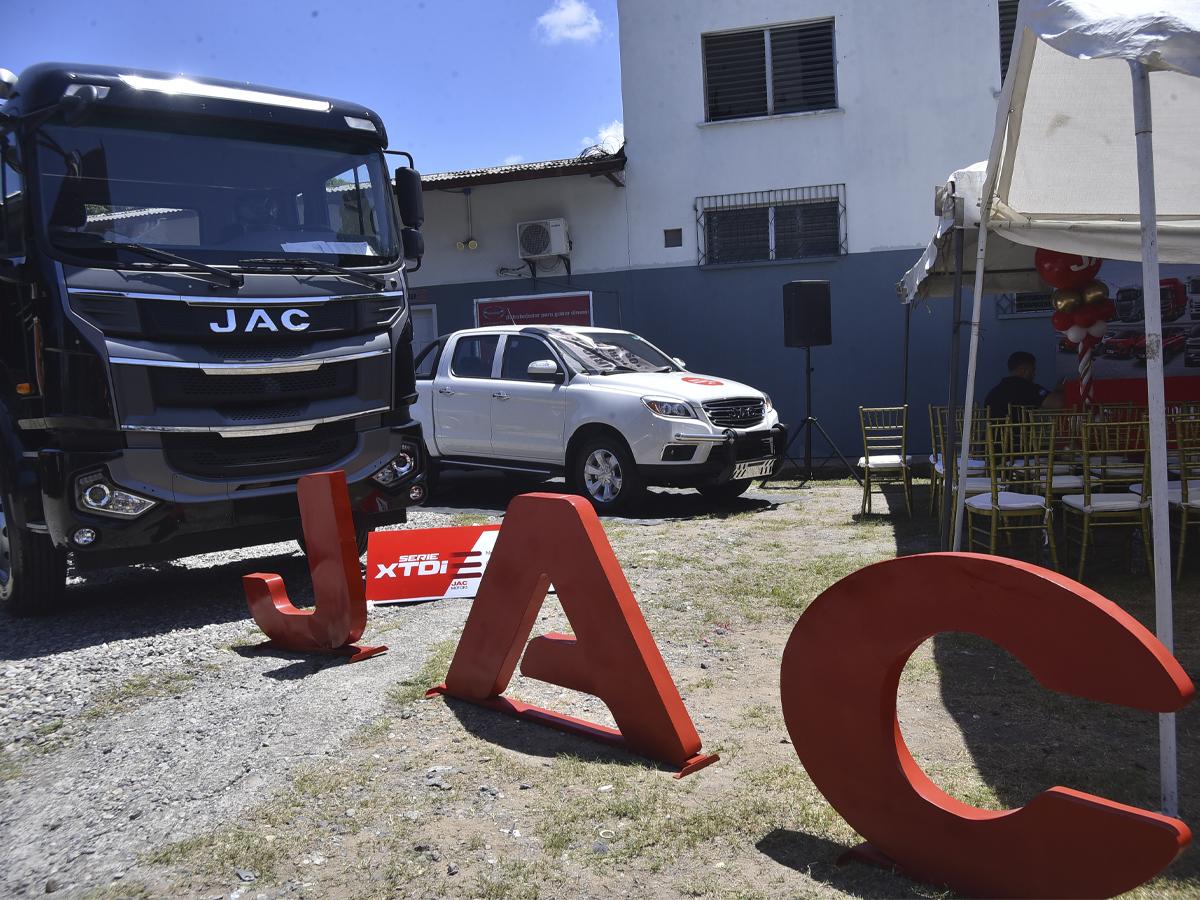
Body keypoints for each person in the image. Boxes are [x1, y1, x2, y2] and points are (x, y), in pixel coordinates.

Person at [983, 351, 1064, 421]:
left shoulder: (994, 392)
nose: (1034, 374)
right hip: (1019, 434)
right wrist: (1059, 389)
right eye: (1033, 370)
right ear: (1023, 370)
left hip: (993, 434)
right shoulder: (1028, 388)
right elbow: (1058, 403)